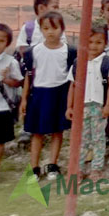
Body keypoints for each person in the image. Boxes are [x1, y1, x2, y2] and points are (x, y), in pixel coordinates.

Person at [21, 11, 74, 182]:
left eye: (54, 28)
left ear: (62, 29)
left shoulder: (69, 51)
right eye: (45, 28)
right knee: (37, 133)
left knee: (57, 131)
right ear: (41, 30)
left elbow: (73, 79)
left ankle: (52, 165)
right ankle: (34, 168)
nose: (50, 32)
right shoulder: (34, 51)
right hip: (39, 95)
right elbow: (29, 76)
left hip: (60, 94)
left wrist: (71, 103)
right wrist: (24, 99)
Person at [65, 27, 109, 179]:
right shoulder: (78, 63)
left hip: (99, 107)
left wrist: (108, 105)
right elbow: (73, 86)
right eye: (90, 42)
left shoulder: (107, 63)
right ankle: (78, 169)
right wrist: (69, 107)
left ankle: (96, 168)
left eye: (98, 42)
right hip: (81, 108)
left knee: (98, 138)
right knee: (82, 139)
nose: (93, 46)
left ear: (105, 43)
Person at [0, 24, 23, 181]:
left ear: (7, 43)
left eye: (1, 40)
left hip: (2, 107)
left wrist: (7, 79)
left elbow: (19, 82)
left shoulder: (10, 61)